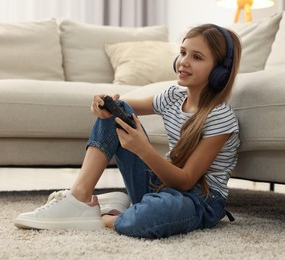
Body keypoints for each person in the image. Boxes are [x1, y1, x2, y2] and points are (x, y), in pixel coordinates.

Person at [14, 23, 242, 239]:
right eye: (182, 52)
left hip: (200, 199)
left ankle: (106, 216)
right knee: (117, 111)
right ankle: (79, 197)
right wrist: (104, 104)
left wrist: (143, 149)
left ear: (219, 71)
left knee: (149, 218)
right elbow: (123, 105)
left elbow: (186, 181)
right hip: (163, 184)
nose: (184, 62)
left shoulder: (219, 116)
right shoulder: (174, 96)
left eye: (197, 57)